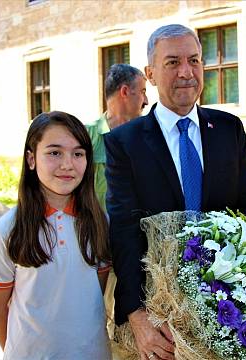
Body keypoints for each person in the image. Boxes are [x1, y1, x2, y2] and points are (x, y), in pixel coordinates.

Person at [105, 24, 246, 360]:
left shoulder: (229, 129)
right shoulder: (124, 143)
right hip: (159, 320)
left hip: (224, 311)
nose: (187, 72)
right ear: (151, 74)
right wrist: (136, 316)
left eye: (194, 60)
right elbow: (124, 232)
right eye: (172, 62)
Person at [0, 111, 112, 359]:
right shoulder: (7, 229)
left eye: (78, 154)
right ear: (31, 159)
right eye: (54, 153)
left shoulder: (100, 223)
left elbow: (96, 292)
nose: (67, 164)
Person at [86, 63, 148, 340]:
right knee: (91, 321)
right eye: (142, 91)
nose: (146, 100)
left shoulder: (147, 138)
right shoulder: (85, 138)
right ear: (125, 91)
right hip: (92, 253)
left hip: (135, 253)